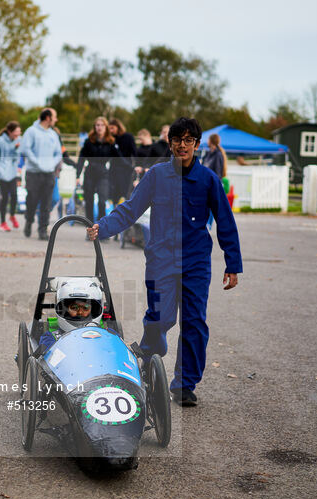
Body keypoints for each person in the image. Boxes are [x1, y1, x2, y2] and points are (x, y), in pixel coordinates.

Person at [86, 117, 242, 407]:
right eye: (177, 140)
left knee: (194, 322)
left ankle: (184, 384)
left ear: (196, 144)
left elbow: (225, 221)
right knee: (160, 318)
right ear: (170, 143)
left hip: (196, 262)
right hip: (161, 260)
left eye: (188, 140)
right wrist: (102, 227)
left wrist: (233, 263)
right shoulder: (156, 175)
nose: (182, 145)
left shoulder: (208, 180)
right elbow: (131, 209)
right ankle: (149, 351)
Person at [19, 108, 62, 240]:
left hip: (49, 173)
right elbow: (25, 149)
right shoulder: (31, 131)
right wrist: (38, 163)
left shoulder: (53, 135)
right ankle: (29, 221)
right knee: (32, 200)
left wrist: (51, 165)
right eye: (54, 117)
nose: (56, 120)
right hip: (34, 173)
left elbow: (58, 153)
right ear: (48, 118)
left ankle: (42, 230)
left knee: (46, 202)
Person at [38, 278, 105, 352]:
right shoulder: (50, 338)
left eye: (85, 308)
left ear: (93, 310)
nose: (80, 312)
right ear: (64, 309)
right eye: (74, 308)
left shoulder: (107, 334)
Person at [76, 116, 121, 224]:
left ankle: (101, 227)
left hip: (103, 174)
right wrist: (77, 176)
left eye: (102, 125)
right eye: (97, 125)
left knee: (102, 201)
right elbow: (81, 159)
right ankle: (90, 227)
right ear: (94, 127)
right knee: (89, 201)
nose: (99, 127)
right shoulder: (88, 141)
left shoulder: (111, 142)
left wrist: (131, 166)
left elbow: (119, 158)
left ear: (106, 127)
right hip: (90, 173)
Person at [0, 121, 22, 232]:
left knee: (14, 195)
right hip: (2, 173)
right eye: (16, 133)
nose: (17, 136)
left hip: (12, 172)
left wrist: (17, 150)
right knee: (4, 197)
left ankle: (12, 215)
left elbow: (17, 157)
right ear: (9, 131)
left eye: (19, 134)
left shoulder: (18, 141)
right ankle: (2, 222)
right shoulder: (0, 141)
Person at [108, 118, 137, 203]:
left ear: (118, 127)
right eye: (109, 128)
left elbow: (134, 152)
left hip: (126, 168)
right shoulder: (111, 139)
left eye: (112, 128)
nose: (111, 130)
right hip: (114, 168)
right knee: (113, 194)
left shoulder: (128, 137)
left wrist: (135, 165)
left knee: (124, 193)